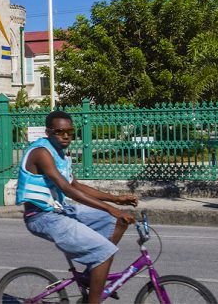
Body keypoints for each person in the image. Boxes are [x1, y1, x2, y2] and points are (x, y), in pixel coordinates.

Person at [17, 111, 138, 304]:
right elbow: (67, 189)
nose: (66, 135)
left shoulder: (60, 154)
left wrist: (116, 199)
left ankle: (92, 277)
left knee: (118, 221)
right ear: (48, 132)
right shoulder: (41, 153)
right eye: (60, 131)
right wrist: (109, 208)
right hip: (42, 217)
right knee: (104, 252)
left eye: (70, 131)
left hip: (59, 210)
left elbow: (75, 185)